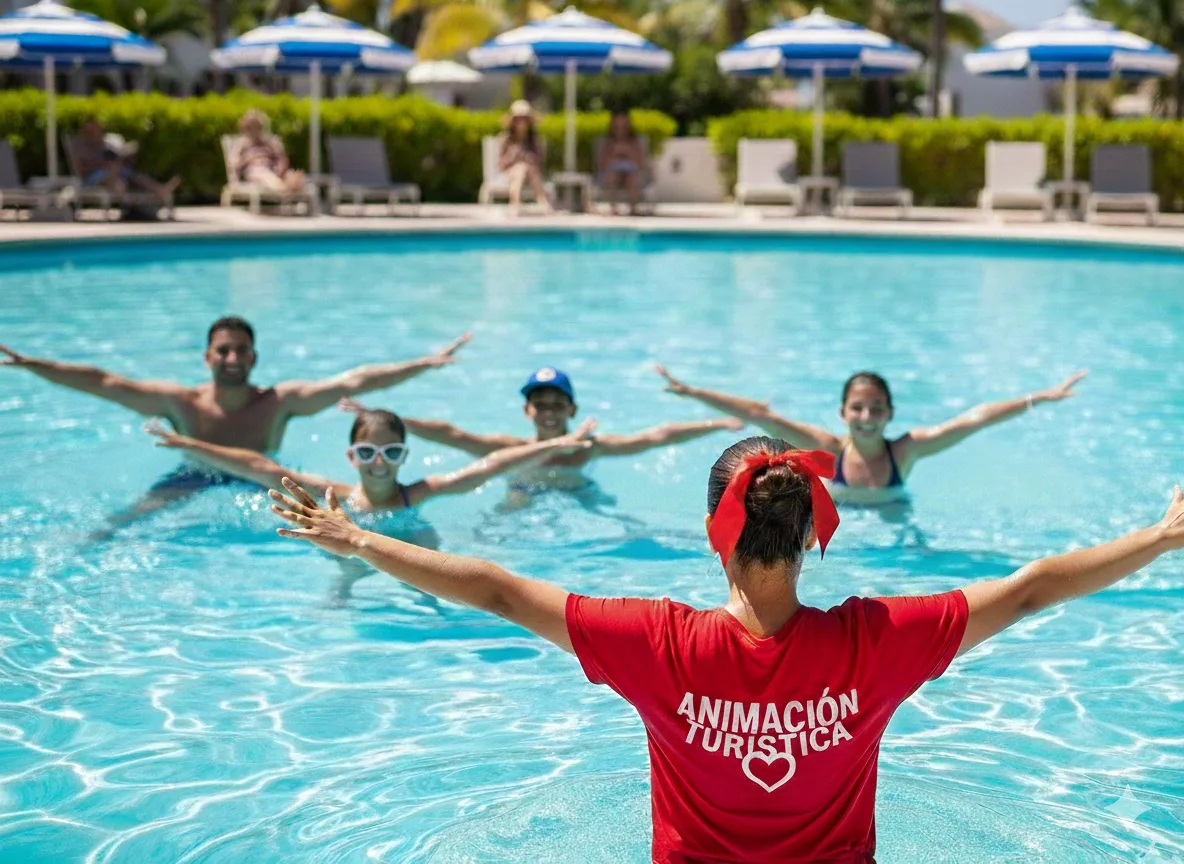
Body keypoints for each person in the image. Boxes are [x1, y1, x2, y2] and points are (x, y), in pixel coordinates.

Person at [268, 435, 1184, 862]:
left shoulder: (655, 645)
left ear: (716, 528)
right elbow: (1033, 587)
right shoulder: (877, 642)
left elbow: (495, 587)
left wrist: (361, 542)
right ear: (809, 529)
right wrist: (1160, 536)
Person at [1, 318, 471, 520]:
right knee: (125, 520)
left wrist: (423, 363)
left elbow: (354, 381)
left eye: (241, 350)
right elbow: (103, 382)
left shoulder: (279, 401)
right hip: (191, 475)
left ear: (254, 357)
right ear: (208, 356)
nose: (232, 357)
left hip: (257, 480)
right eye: (223, 350)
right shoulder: (181, 402)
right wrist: (32, 365)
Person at [145, 407, 595, 602]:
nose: (378, 464)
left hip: (413, 548)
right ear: (351, 458)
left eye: (390, 454)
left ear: (403, 457)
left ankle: (430, 602)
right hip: (358, 550)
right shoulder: (338, 497)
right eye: (367, 454)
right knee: (346, 567)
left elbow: (490, 465)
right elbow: (258, 466)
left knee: (427, 557)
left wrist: (559, 443)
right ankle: (341, 594)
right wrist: (189, 444)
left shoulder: (417, 493)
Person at [656, 366, 1087, 506]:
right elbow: (759, 414)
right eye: (857, 408)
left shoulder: (907, 450)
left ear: (890, 413)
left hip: (897, 530)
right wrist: (694, 392)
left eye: (876, 409)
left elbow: (974, 420)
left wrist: (1040, 398)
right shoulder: (828, 448)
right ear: (843, 412)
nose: (866, 416)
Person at [403, 367, 742, 497]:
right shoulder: (511, 448)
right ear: (527, 411)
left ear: (572, 410)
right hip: (522, 491)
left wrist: (718, 424)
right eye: (540, 405)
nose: (548, 412)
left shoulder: (589, 448)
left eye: (556, 404)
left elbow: (655, 436)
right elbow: (453, 435)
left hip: (577, 493)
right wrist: (396, 420)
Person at [73, 118, 179, 206]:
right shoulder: (83, 148)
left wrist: (124, 155)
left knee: (132, 175)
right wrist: (101, 163)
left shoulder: (106, 143)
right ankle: (125, 198)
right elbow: (82, 170)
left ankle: (159, 189)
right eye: (92, 131)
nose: (96, 133)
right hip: (93, 178)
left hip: (116, 172)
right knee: (116, 175)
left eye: (98, 130)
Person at [228, 110, 307, 193]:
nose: (256, 130)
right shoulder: (242, 144)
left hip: (273, 169)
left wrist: (280, 167)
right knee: (262, 174)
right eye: (253, 127)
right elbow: (233, 162)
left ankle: (290, 184)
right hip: (254, 171)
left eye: (259, 127)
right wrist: (247, 159)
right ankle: (284, 188)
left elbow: (281, 158)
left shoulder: (269, 142)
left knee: (289, 174)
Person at [497, 100, 554, 216]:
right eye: (518, 119)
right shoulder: (506, 139)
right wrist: (513, 156)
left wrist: (529, 158)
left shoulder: (533, 140)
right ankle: (517, 203)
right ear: (513, 121)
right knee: (520, 169)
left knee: (527, 168)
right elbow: (501, 164)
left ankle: (539, 202)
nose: (521, 122)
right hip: (511, 174)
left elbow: (539, 161)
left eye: (524, 119)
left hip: (531, 174)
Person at [596, 111, 647, 216]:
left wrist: (629, 152)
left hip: (631, 172)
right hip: (611, 172)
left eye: (623, 126)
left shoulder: (635, 141)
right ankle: (614, 208)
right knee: (613, 176)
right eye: (617, 126)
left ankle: (633, 209)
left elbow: (640, 163)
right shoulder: (607, 142)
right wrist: (614, 153)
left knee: (632, 177)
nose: (620, 130)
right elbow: (602, 165)